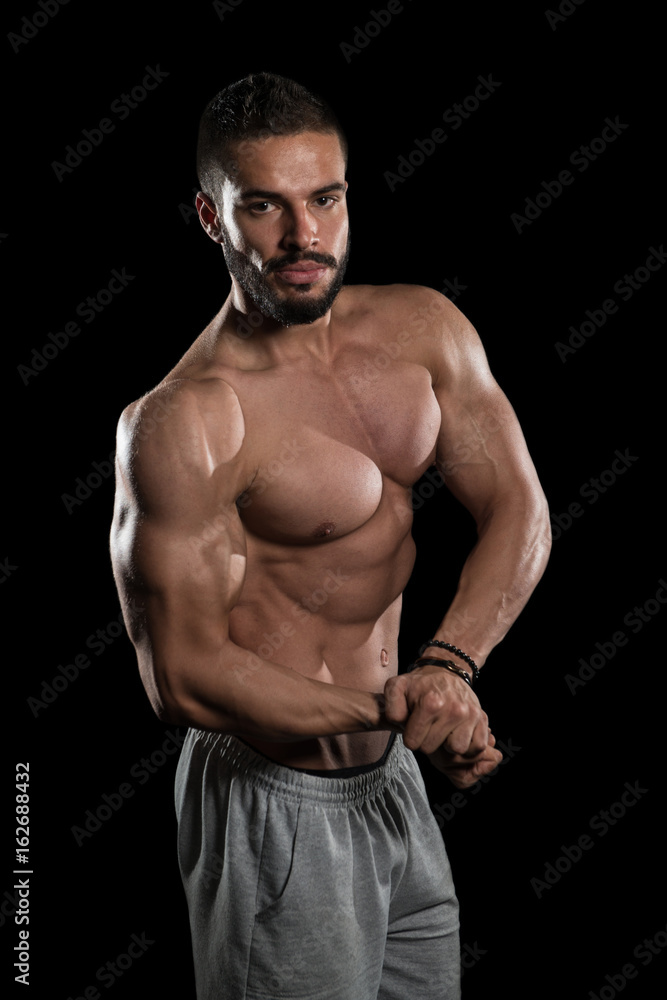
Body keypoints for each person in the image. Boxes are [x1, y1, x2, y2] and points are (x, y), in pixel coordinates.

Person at [110, 72, 551, 1000]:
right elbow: (180, 678)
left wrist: (448, 668)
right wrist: (407, 710)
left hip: (393, 785)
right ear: (210, 217)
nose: (303, 236)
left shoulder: (423, 328)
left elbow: (519, 508)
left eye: (324, 198)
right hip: (276, 802)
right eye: (263, 207)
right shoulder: (188, 419)